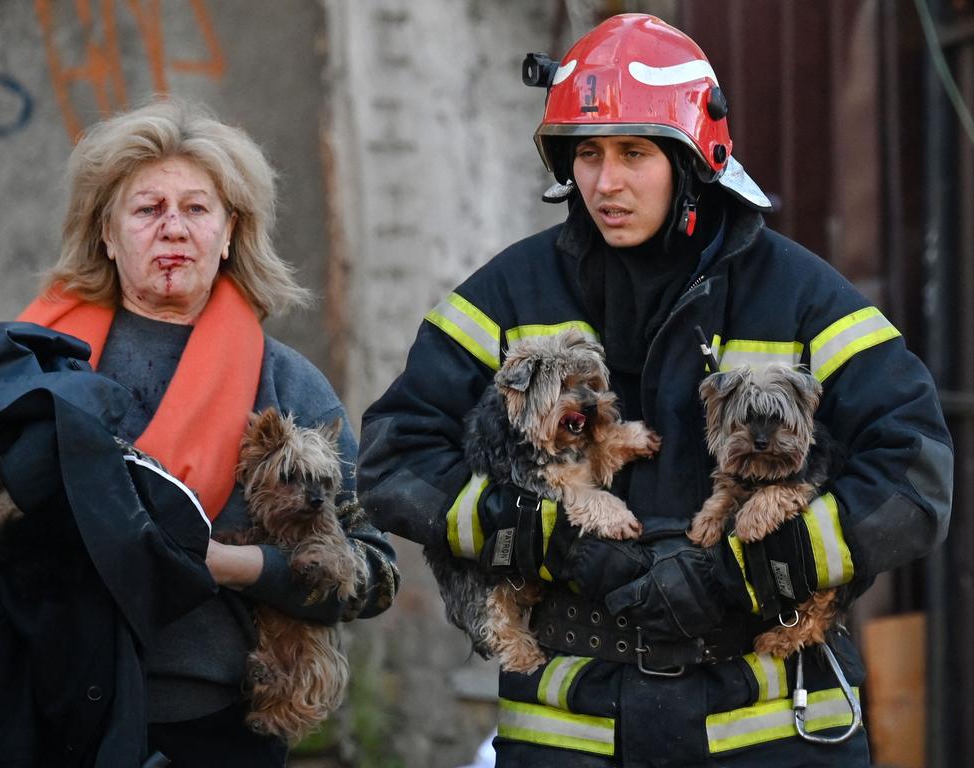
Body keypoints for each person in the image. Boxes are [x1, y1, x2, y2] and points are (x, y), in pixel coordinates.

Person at [358, 13, 951, 768]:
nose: (607, 182)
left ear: (694, 158)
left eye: (635, 153)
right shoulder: (507, 295)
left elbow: (915, 475)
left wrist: (747, 574)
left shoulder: (802, 297)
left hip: (773, 727)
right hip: (571, 729)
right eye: (589, 154)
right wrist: (553, 542)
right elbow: (394, 460)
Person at [0, 98, 398, 765]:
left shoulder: (288, 388)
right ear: (106, 233)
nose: (173, 229)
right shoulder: (32, 366)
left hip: (213, 732)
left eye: (197, 209)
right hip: (40, 713)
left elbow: (374, 574)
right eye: (148, 209)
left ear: (231, 232)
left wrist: (232, 566)